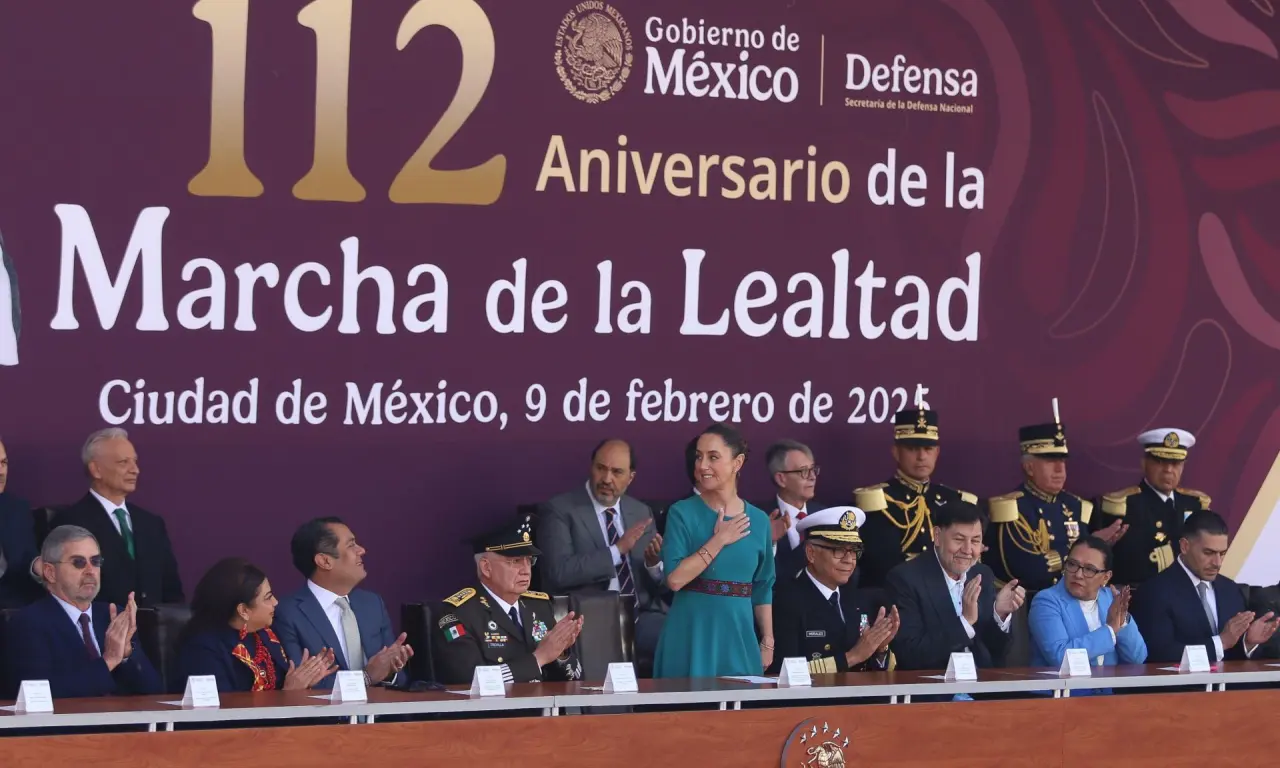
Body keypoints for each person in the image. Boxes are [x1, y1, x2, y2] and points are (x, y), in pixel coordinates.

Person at [653, 423, 776, 679]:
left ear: (737, 462)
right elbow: (674, 579)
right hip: (691, 635)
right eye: (699, 456)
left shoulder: (760, 520)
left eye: (713, 457)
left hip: (739, 636)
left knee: (741, 717)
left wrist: (767, 641)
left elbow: (763, 586)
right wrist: (719, 540)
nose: (702, 465)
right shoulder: (682, 513)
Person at [537, 439, 666, 659]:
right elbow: (559, 572)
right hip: (590, 618)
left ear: (630, 477)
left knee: (686, 637)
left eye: (617, 472)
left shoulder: (641, 512)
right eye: (601, 468)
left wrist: (653, 565)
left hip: (641, 616)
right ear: (591, 466)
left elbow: (657, 585)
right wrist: (617, 550)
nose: (607, 479)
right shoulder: (560, 510)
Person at [5, 525, 161, 698]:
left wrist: (127, 655)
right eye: (78, 562)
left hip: (124, 723)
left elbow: (154, 691)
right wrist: (108, 661)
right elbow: (39, 695)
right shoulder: (29, 623)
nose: (90, 570)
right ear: (50, 572)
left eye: (95, 561)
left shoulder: (113, 615)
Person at [434, 515, 584, 685]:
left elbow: (574, 679)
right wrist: (538, 658)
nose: (526, 570)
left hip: (542, 709)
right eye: (515, 561)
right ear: (486, 567)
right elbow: (470, 680)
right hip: (495, 711)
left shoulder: (539, 606)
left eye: (529, 561)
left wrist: (561, 652)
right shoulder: (458, 613)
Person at [985, 413, 1125, 593]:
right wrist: (1089, 545)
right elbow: (1028, 569)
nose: (1060, 470)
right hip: (1031, 602)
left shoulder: (1075, 505)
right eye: (1050, 461)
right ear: (1029, 467)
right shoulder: (1014, 508)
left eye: (1062, 461)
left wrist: (1098, 546)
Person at [273, 518, 413, 690]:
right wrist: (367, 677)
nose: (361, 550)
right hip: (326, 716)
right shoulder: (288, 613)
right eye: (351, 545)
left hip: (378, 715)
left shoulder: (372, 604)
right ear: (325, 561)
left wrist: (390, 672)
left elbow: (399, 679)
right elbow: (300, 686)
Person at [50, 428, 183, 607]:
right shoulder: (70, 522)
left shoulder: (151, 524)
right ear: (96, 469)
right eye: (123, 462)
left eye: (135, 462)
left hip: (153, 631)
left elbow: (172, 591)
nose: (135, 470)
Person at [887, 500, 1023, 672]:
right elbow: (910, 654)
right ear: (937, 536)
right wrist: (965, 622)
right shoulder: (905, 579)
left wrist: (999, 614)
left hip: (983, 689)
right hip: (935, 692)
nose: (967, 550)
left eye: (975, 541)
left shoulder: (982, 574)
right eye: (959, 539)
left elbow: (997, 652)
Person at [1129, 510, 1279, 664]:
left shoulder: (1231, 590)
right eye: (1208, 553)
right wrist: (1220, 642)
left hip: (1228, 688)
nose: (1217, 563)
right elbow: (1160, 654)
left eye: (1222, 554)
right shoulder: (1154, 592)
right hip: (1183, 688)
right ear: (1185, 546)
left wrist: (1248, 642)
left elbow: (1229, 655)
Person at [769, 506, 899, 676]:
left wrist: (880, 648)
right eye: (838, 550)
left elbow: (877, 674)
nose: (849, 560)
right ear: (811, 553)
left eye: (854, 551)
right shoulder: (787, 601)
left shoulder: (857, 600)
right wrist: (852, 657)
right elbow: (783, 672)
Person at [177, 557, 338, 693]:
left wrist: (305, 681)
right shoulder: (202, 650)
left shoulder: (265, 635)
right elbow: (218, 716)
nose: (275, 602)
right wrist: (288, 695)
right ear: (244, 610)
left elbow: (286, 687)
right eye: (267, 598)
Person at [857, 408, 977, 588]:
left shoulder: (954, 500)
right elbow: (879, 562)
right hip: (895, 595)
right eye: (912, 449)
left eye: (928, 449)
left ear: (937, 452)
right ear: (896, 452)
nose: (921, 457)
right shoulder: (878, 500)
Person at [1028, 536, 1147, 694]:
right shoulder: (1046, 601)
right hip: (1058, 703)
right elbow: (1061, 657)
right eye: (1072, 564)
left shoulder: (1111, 599)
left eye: (1089, 569)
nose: (1078, 574)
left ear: (1106, 577)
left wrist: (1122, 620)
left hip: (1105, 703)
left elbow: (1137, 658)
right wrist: (1110, 630)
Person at [1094, 428, 1210, 588]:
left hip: (1186, 592)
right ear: (1144, 463)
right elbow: (1126, 564)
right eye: (1160, 461)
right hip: (1140, 594)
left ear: (1183, 466)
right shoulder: (1123, 504)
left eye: (1175, 463)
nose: (1168, 470)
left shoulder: (1195, 503)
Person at [760, 439, 826, 585]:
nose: (812, 477)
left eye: (813, 469)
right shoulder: (760, 518)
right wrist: (770, 541)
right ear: (781, 479)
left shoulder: (825, 516)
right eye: (804, 471)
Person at [0, 437, 42, 607]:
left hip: (12, 606)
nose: (1, 471)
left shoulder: (16, 508)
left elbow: (27, 557)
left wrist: (39, 567)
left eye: (4, 463)